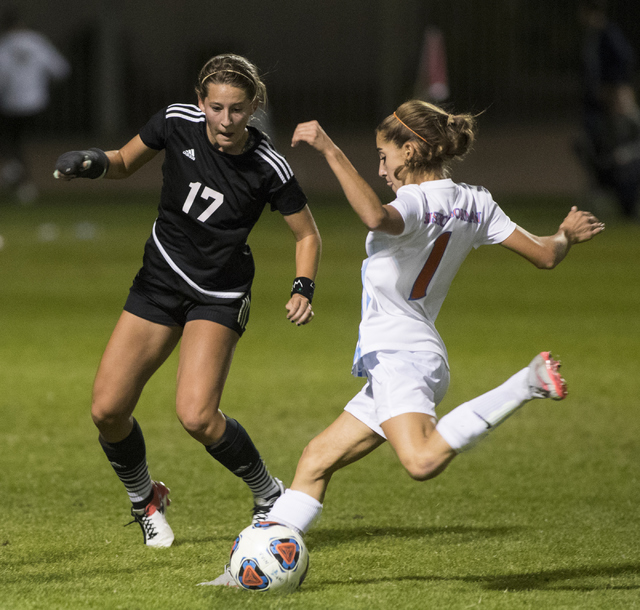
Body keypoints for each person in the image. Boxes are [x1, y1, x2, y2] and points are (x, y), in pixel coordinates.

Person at [204, 98, 604, 586]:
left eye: (383, 156)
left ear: (411, 150)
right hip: (413, 354)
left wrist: (330, 149)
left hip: (401, 356)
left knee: (421, 459)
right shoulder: (476, 200)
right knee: (316, 459)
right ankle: (245, 572)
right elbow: (544, 255)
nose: (381, 167)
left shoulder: (414, 202)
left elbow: (375, 217)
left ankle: (528, 383)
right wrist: (564, 234)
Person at [53, 53, 321, 548]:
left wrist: (302, 285)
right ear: (201, 102)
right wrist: (91, 162)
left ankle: (269, 494)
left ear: (254, 107)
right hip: (158, 282)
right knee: (107, 410)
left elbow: (307, 235)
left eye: (237, 109)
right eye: (216, 107)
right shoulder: (176, 123)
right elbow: (122, 162)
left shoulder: (268, 166)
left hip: (218, 294)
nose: (225, 120)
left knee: (197, 415)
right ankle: (145, 499)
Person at [576, 0, 640, 220]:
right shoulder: (594, 37)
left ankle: (625, 200)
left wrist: (612, 87)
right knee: (595, 149)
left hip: (604, 106)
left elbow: (624, 60)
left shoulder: (608, 35)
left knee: (619, 152)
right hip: (597, 107)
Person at [0, 6, 70, 203]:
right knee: (20, 143)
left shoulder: (4, 46)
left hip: (11, 104)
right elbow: (61, 70)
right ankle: (18, 176)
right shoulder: (37, 42)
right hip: (37, 103)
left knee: (13, 143)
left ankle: (20, 179)